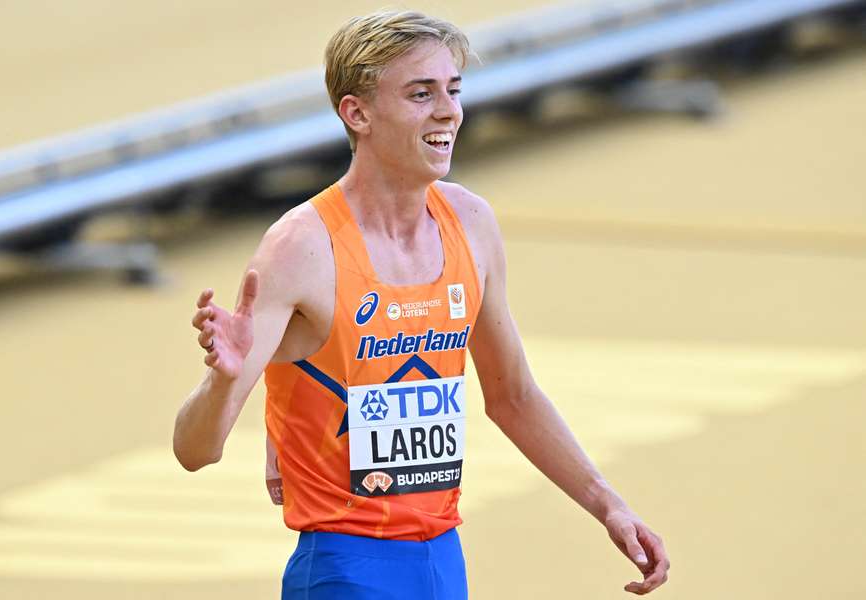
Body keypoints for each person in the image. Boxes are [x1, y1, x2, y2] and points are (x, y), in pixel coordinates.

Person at [173, 10, 669, 599]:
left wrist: (607, 504)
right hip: (345, 568)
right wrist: (222, 382)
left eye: (453, 90)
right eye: (420, 94)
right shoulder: (302, 248)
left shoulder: (471, 223)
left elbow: (513, 396)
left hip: (442, 563)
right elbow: (194, 451)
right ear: (357, 113)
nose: (448, 111)